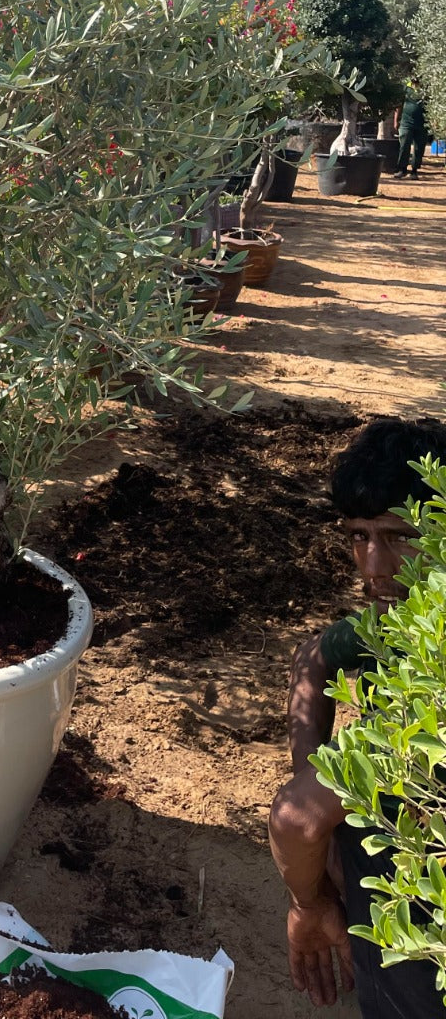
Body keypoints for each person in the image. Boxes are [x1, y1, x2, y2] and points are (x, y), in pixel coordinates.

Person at [268, 416, 446, 1016]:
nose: (374, 566)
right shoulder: (403, 623)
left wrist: (308, 903)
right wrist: (309, 768)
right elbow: (314, 657)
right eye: (360, 536)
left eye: (399, 537)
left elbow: (297, 822)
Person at [393, 82, 430, 178]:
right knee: (404, 146)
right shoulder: (406, 88)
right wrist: (396, 120)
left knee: (419, 148)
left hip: (422, 125)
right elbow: (399, 105)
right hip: (406, 123)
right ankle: (402, 169)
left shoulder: (427, 89)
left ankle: (414, 171)